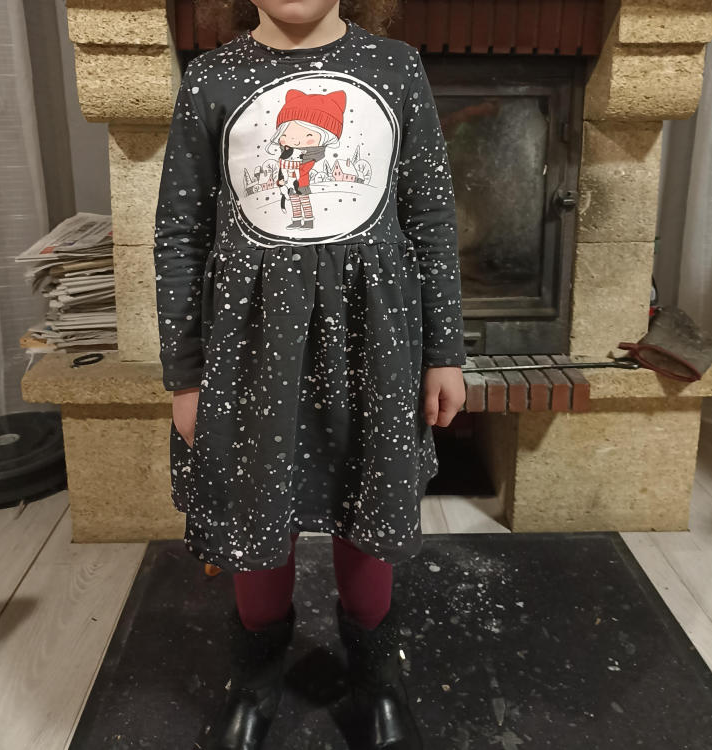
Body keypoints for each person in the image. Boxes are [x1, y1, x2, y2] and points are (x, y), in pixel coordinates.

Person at [153, 0, 467, 747]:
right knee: (255, 506)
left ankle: (376, 679)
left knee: (372, 496)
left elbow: (430, 217)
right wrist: (186, 376)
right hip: (251, 347)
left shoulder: (396, 68)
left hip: (375, 341)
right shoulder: (211, 78)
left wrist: (444, 352)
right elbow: (180, 233)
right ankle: (256, 677)